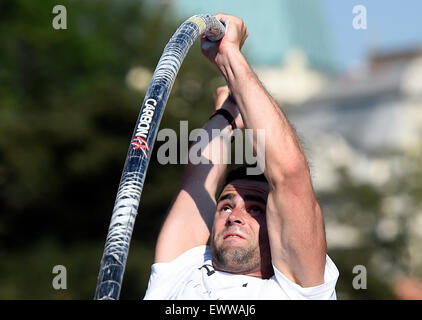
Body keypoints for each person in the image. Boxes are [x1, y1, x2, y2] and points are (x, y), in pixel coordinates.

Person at [143, 13, 339, 300]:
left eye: (255, 209)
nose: (235, 217)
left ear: (279, 231)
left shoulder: (298, 291)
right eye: (225, 207)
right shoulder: (180, 271)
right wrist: (225, 116)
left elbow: (289, 171)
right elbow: (199, 180)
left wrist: (229, 55)